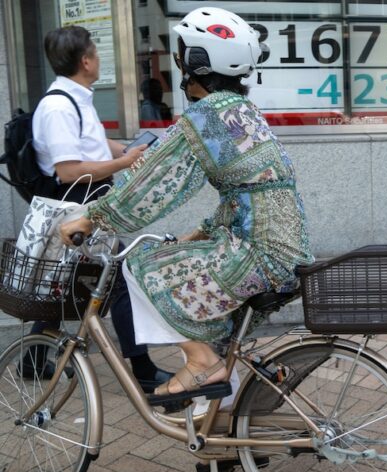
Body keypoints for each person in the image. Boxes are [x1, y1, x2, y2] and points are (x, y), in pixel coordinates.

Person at [60, 7, 314, 402]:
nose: (178, 61)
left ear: (196, 61)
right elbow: (247, 194)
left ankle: (200, 363)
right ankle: (226, 424)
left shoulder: (205, 117)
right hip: (284, 250)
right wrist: (202, 231)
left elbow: (151, 187)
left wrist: (92, 217)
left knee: (141, 267)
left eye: (181, 53)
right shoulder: (243, 112)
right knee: (213, 321)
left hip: (259, 255)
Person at [30, 25, 173, 390]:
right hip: (77, 207)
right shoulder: (59, 106)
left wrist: (124, 150)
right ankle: (142, 371)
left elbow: (92, 143)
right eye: (96, 52)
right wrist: (124, 164)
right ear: (86, 60)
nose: (99, 58)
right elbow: (68, 170)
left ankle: (32, 361)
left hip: (91, 204)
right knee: (121, 280)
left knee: (66, 286)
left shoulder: (77, 97)